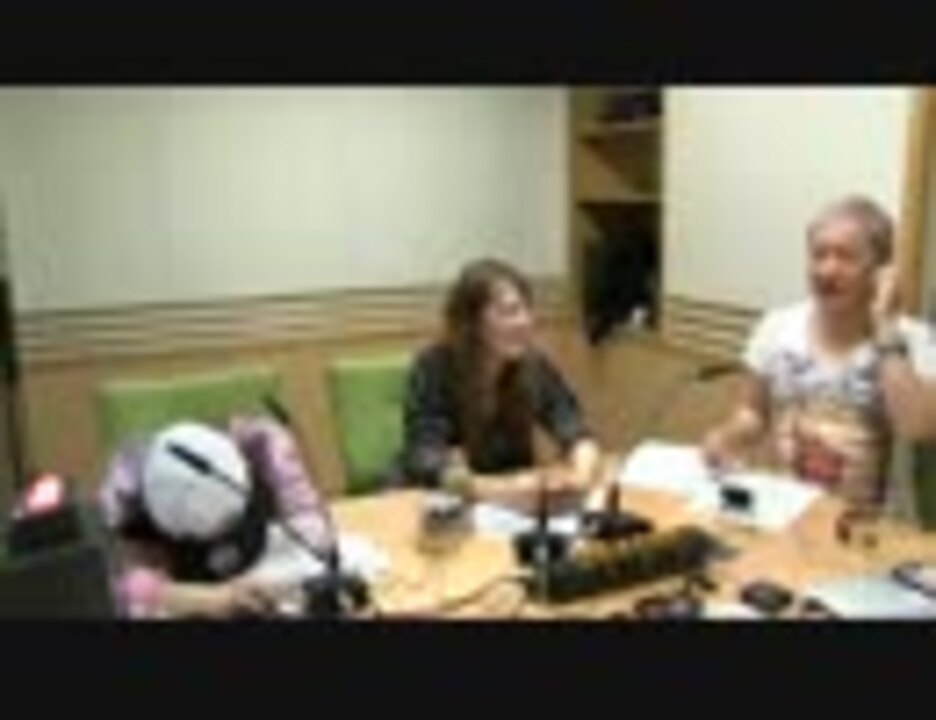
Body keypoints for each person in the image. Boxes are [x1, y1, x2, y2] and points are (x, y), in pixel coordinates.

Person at [701, 195, 936, 509]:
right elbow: (752, 413)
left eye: (845, 257)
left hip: (875, 526)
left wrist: (886, 329)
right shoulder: (777, 327)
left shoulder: (912, 339)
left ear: (881, 271)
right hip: (787, 511)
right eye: (818, 255)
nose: (827, 269)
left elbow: (918, 426)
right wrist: (729, 436)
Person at [402, 257, 603, 508]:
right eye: (509, 312)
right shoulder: (434, 367)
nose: (524, 322)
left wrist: (581, 474)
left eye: (526, 309)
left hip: (513, 507)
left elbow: (572, 425)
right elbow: (425, 458)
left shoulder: (533, 365)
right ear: (472, 322)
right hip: (438, 506)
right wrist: (497, 489)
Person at [99, 416, 332, 619]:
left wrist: (286, 585)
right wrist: (209, 600)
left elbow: (313, 531)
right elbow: (112, 585)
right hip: (185, 577)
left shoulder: (263, 443)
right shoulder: (123, 490)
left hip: (265, 563)